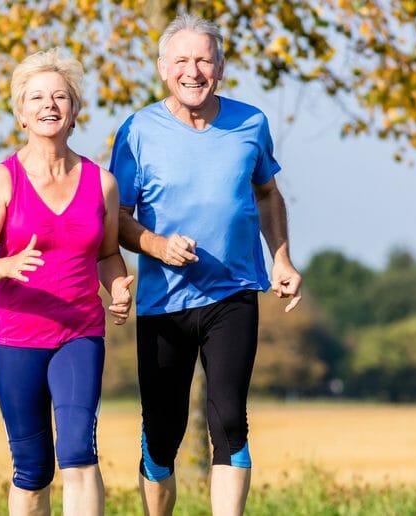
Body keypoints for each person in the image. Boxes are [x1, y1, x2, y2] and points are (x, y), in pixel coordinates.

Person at [109, 13, 303, 516]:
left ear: (220, 66)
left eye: (203, 59)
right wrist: (154, 245)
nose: (192, 71)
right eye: (181, 60)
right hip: (163, 302)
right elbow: (117, 218)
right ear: (161, 68)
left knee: (230, 422)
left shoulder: (251, 123)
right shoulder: (136, 132)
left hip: (233, 293)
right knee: (161, 435)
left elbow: (268, 194)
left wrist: (280, 257)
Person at [0, 48, 134, 516]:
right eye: (36, 97)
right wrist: (6, 266)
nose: (49, 105)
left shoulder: (102, 183)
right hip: (16, 337)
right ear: (21, 113)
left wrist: (117, 286)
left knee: (79, 454)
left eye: (60, 96)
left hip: (80, 332)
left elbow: (108, 254)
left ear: (75, 111)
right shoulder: (2, 181)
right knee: (33, 470)